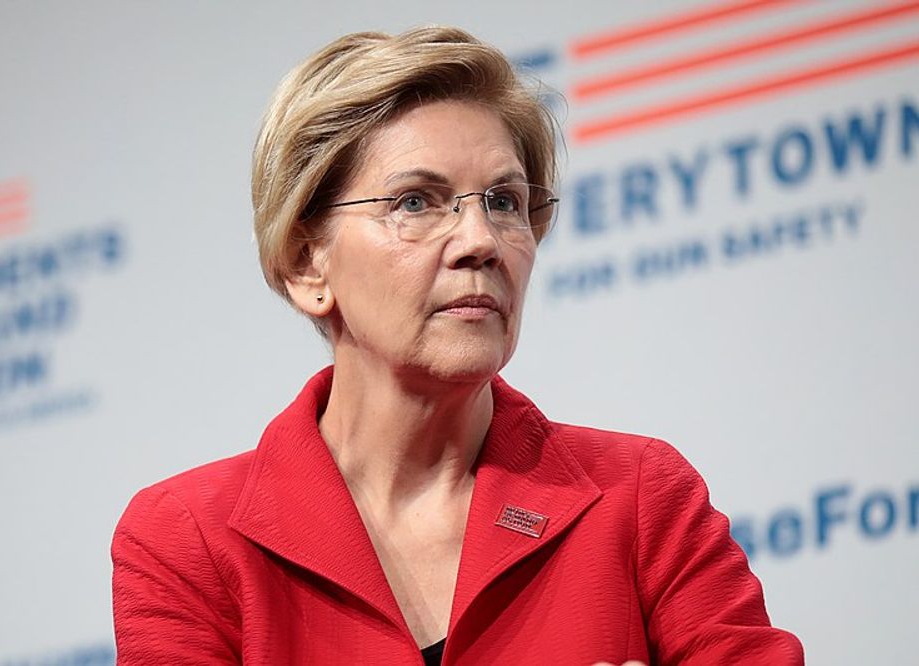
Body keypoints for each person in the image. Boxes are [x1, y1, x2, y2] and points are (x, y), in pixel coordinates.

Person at [111, 26, 804, 665]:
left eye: (504, 202)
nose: (479, 242)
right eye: (415, 202)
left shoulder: (641, 496)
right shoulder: (188, 539)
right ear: (305, 264)